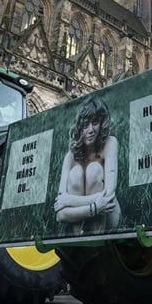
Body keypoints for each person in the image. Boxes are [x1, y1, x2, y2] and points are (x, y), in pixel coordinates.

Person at [54, 96, 121, 234]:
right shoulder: (70, 157)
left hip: (109, 219)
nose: (90, 130)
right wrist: (94, 207)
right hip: (88, 215)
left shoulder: (110, 142)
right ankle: (80, 241)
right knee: (76, 173)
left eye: (95, 123)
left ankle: (97, 240)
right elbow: (60, 214)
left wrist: (69, 200)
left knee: (94, 169)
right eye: (85, 126)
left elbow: (108, 196)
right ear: (79, 129)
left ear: (102, 123)